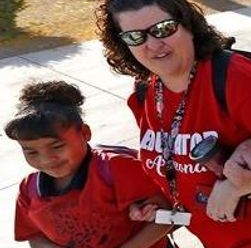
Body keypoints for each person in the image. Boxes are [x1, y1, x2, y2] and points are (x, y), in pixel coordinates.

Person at [97, 0, 251, 247]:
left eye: (163, 29)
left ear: (188, 26)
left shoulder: (234, 76)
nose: (153, 44)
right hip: (217, 237)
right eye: (135, 37)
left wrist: (235, 187)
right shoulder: (144, 91)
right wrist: (156, 202)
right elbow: (170, 159)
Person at [9, 80, 172, 248]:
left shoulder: (117, 168)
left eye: (57, 146)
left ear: (85, 133)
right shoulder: (29, 190)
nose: (46, 159)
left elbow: (168, 217)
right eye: (31, 152)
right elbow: (34, 235)